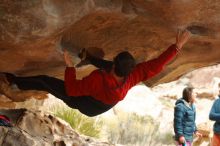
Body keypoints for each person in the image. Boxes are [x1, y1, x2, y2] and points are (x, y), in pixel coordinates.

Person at [0, 30, 190, 117]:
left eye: (114, 61)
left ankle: (13, 81)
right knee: (104, 66)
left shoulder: (97, 80)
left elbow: (72, 89)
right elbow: (157, 65)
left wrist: (69, 67)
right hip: (104, 103)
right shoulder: (133, 75)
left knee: (45, 81)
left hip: (85, 104)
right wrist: (177, 47)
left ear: (116, 64)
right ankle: (88, 57)